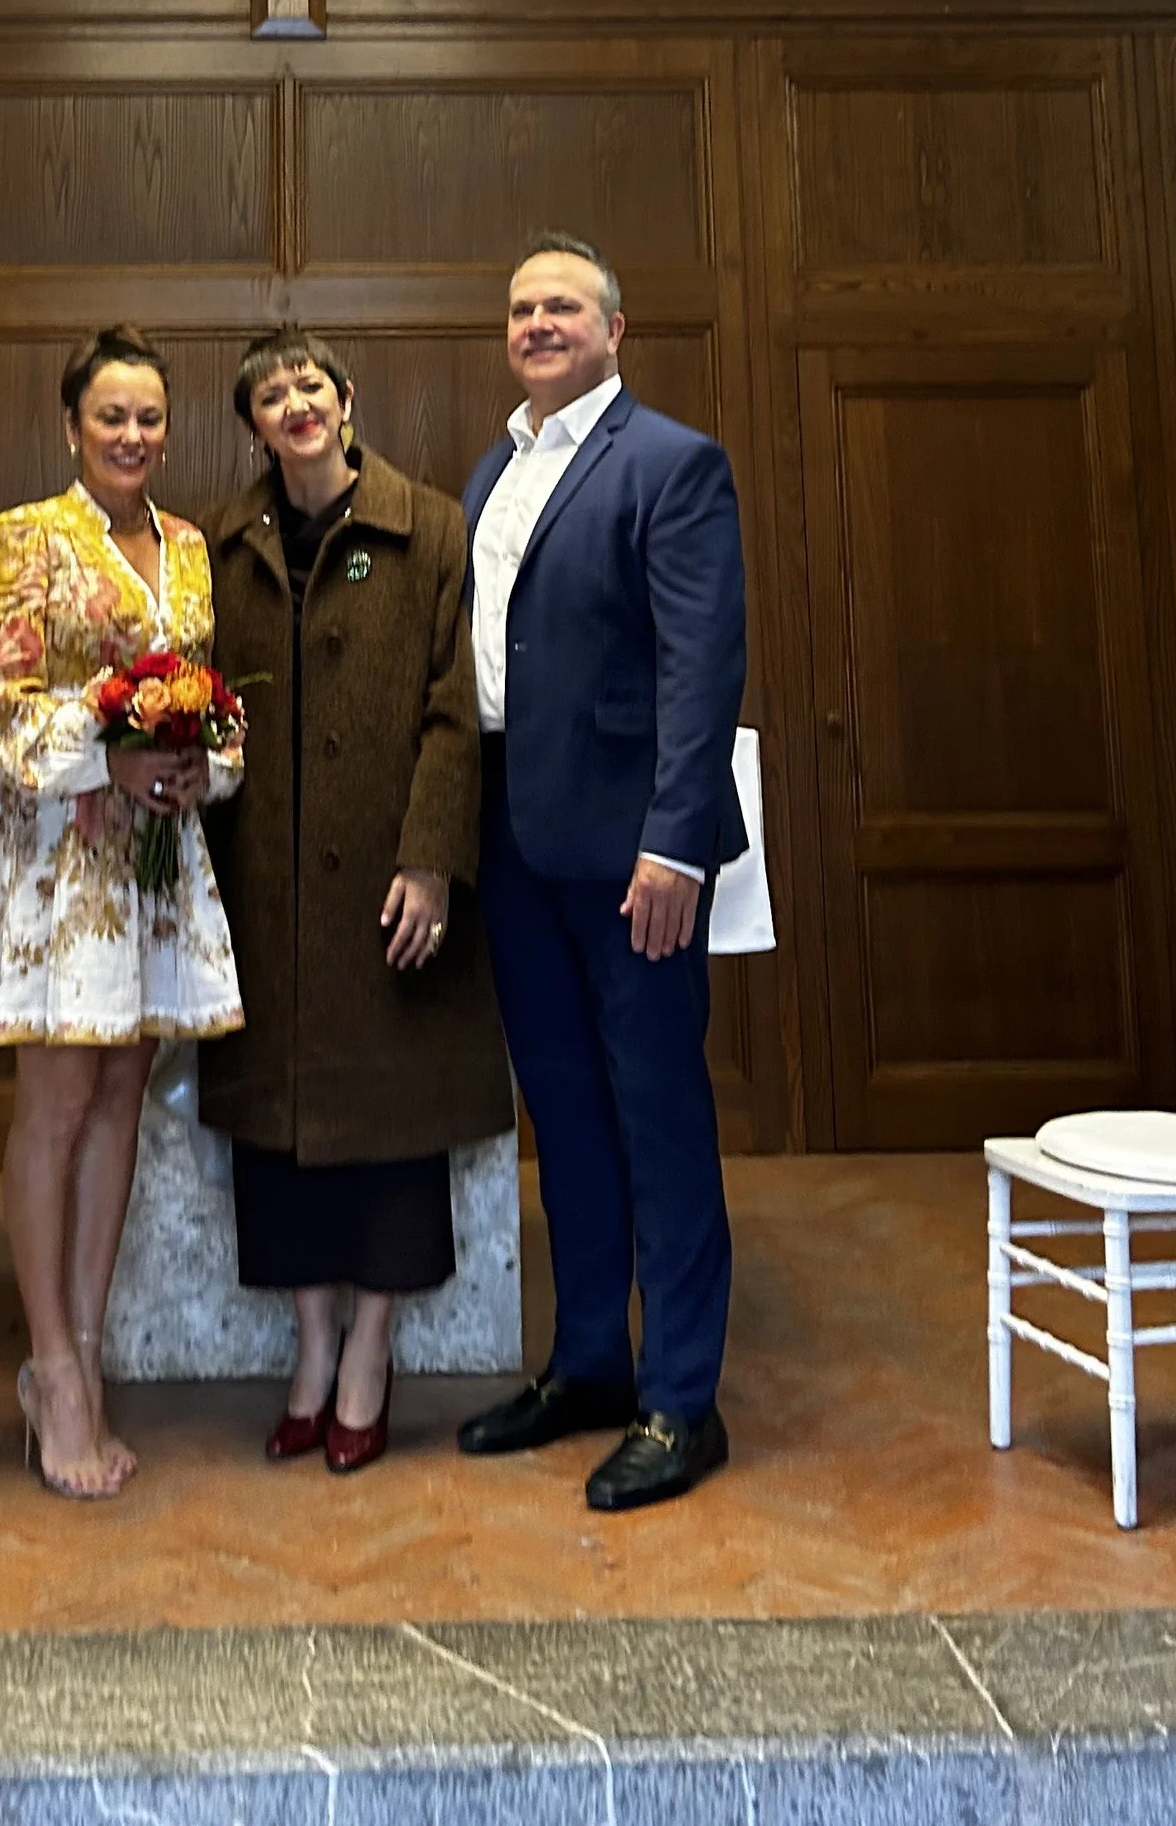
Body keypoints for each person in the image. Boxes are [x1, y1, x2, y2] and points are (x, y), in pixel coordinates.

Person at [0, 326, 243, 1499]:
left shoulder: (193, 550)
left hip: (157, 856)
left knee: (121, 1095)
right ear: (72, 427)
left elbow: (214, 704)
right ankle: (50, 1368)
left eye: (150, 417)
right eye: (111, 415)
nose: (132, 435)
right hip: (61, 856)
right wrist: (99, 762)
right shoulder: (29, 535)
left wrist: (206, 766)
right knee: (57, 1100)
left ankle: (88, 1353)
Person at [456, 233, 748, 1511]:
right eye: (520, 308)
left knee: (657, 1115)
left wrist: (675, 840)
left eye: (561, 305)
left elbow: (700, 664)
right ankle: (587, 1363)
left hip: (634, 857)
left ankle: (682, 1398)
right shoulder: (493, 470)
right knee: (563, 1112)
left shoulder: (671, 465)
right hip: (515, 847)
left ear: (614, 329)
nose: (537, 323)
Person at [201, 329, 509, 1473]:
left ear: (347, 401)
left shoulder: (429, 526)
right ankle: (310, 1350)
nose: (295, 404)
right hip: (267, 892)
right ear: (252, 426)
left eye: (310, 386)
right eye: (271, 393)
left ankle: (369, 1355)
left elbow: (452, 709)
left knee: (391, 1128)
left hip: (390, 882)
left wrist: (430, 858)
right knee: (276, 1134)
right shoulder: (224, 542)